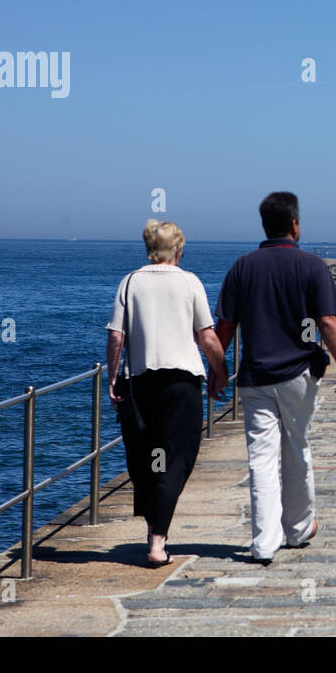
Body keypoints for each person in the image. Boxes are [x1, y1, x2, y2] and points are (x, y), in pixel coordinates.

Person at [214, 192, 336, 564]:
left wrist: (217, 371)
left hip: (256, 376)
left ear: (265, 225)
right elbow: (327, 322)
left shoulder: (243, 267)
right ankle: (299, 528)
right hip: (299, 375)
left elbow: (223, 329)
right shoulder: (311, 266)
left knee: (261, 457)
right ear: (294, 224)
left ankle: (263, 542)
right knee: (297, 447)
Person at [107, 220, 228, 566]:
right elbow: (206, 335)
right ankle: (158, 540)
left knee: (145, 456)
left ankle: (155, 530)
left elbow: (117, 337)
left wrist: (112, 378)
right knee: (177, 457)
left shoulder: (129, 282)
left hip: (140, 382)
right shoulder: (189, 282)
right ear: (177, 250)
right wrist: (221, 372)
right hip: (181, 384)